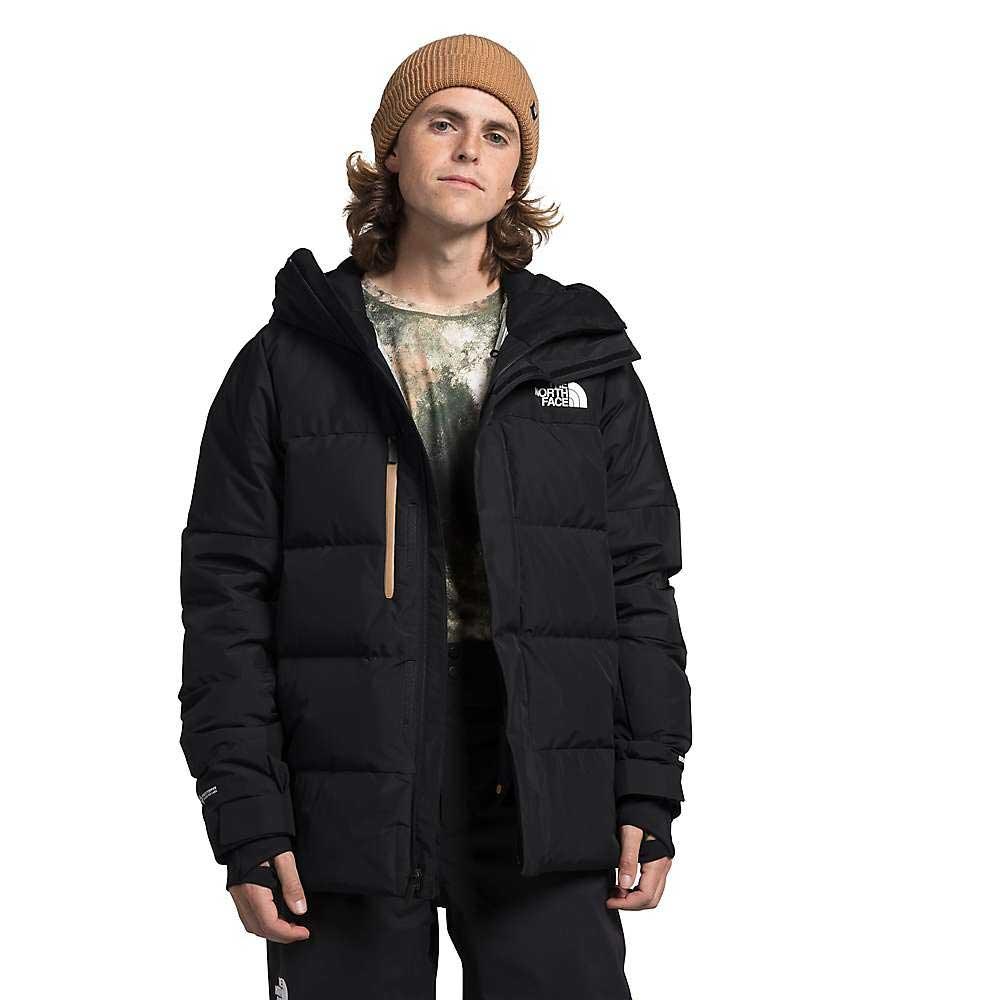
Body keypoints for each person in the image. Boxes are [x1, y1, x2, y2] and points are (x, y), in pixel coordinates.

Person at [178, 32, 691, 999]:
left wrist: (648, 784)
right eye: (442, 122)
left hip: (544, 772)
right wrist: (245, 813)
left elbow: (638, 585)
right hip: (347, 774)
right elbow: (224, 602)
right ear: (392, 150)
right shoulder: (289, 362)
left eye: (498, 134)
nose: (468, 148)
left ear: (517, 174)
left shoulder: (582, 356)